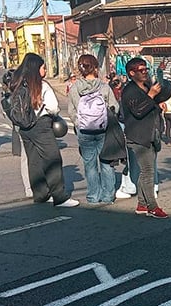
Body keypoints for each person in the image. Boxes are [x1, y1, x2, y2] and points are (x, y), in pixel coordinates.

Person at [10, 53, 79, 207]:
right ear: (36, 69)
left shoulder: (19, 83)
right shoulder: (42, 85)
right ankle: (59, 196)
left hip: (24, 127)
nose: (45, 70)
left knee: (34, 161)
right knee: (52, 159)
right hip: (41, 125)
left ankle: (40, 194)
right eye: (43, 67)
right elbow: (53, 107)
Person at [68, 54, 120, 205]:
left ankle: (93, 196)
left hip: (84, 131)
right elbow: (115, 107)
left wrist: (80, 124)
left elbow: (72, 111)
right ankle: (108, 195)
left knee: (90, 165)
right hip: (103, 130)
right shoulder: (104, 87)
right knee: (106, 163)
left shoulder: (74, 88)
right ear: (96, 68)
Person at [121, 57, 168, 218]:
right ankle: (152, 206)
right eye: (141, 70)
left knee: (145, 172)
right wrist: (151, 96)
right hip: (139, 137)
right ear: (132, 73)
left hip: (151, 134)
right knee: (148, 172)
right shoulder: (129, 91)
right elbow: (138, 111)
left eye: (146, 69)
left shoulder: (147, 86)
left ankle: (142, 204)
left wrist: (158, 104)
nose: (145, 72)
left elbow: (151, 105)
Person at [2, 68, 32, 198]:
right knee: (31, 157)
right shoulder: (23, 93)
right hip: (29, 127)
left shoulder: (5, 99)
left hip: (18, 128)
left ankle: (28, 188)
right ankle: (34, 186)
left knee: (25, 159)